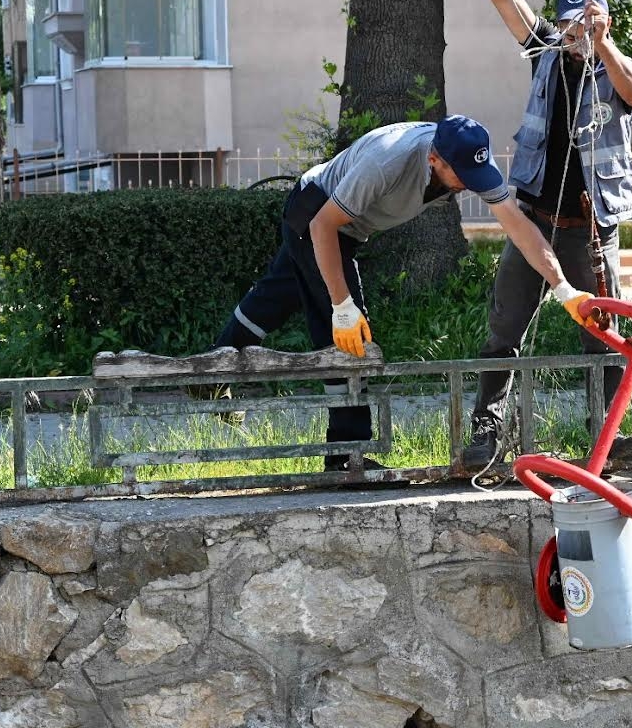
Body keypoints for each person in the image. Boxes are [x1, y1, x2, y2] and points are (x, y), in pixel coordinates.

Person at [212, 115, 597, 472]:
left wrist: (565, 290)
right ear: (434, 159)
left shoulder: (469, 160)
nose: (468, 183)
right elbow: (323, 225)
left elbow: (519, 227)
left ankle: (210, 375)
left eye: (474, 173)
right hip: (315, 216)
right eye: (460, 174)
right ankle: (348, 456)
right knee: (349, 339)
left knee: (274, 299)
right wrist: (342, 306)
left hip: (343, 226)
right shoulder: (387, 160)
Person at [462, 0, 632, 469]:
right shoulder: (544, 50)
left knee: (603, 337)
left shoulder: (614, 63)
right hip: (534, 222)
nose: (572, 33)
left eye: (582, 24)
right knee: (506, 329)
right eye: (567, 23)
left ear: (600, 22)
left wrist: (605, 44)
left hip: (590, 229)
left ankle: (609, 437)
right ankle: (487, 432)